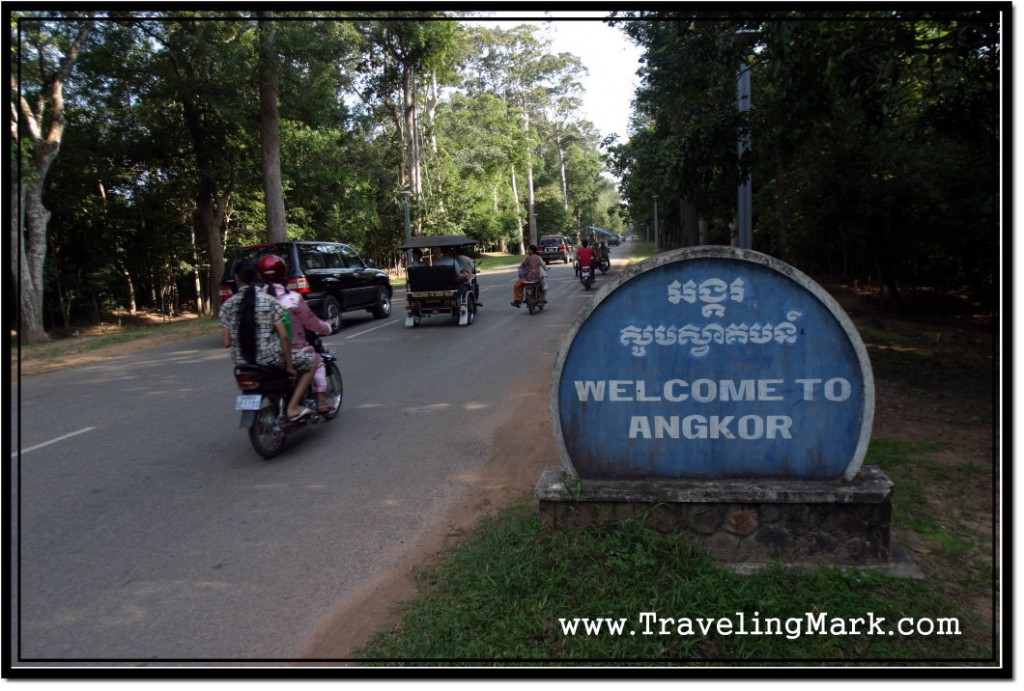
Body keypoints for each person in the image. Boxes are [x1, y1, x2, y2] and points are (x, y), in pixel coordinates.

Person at [219, 259, 316, 421]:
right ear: (256, 276)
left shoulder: (227, 306)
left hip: (242, 361)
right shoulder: (269, 301)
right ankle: (292, 407)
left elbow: (226, 343)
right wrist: (290, 367)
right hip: (270, 358)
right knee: (311, 362)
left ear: (236, 278)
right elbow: (284, 337)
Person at [257, 254, 334, 414]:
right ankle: (321, 401)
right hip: (292, 351)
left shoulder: (257, 299)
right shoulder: (292, 299)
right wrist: (327, 327)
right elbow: (312, 323)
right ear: (284, 274)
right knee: (317, 361)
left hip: (261, 353)